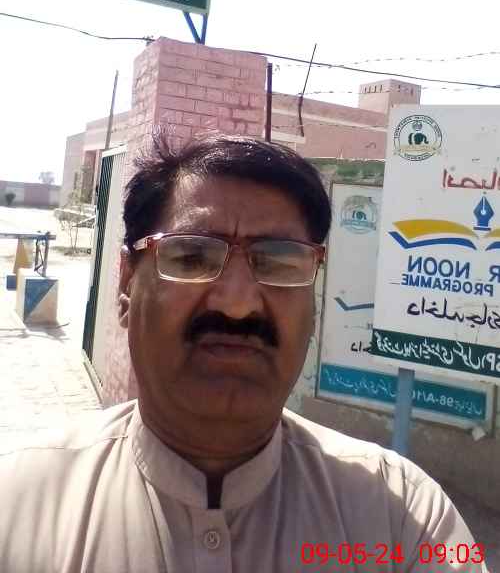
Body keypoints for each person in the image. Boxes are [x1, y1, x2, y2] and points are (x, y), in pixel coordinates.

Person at [0, 132, 488, 572]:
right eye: (192, 256)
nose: (237, 304)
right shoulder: (17, 503)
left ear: (314, 303)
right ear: (127, 284)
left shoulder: (403, 517)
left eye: (278, 261)